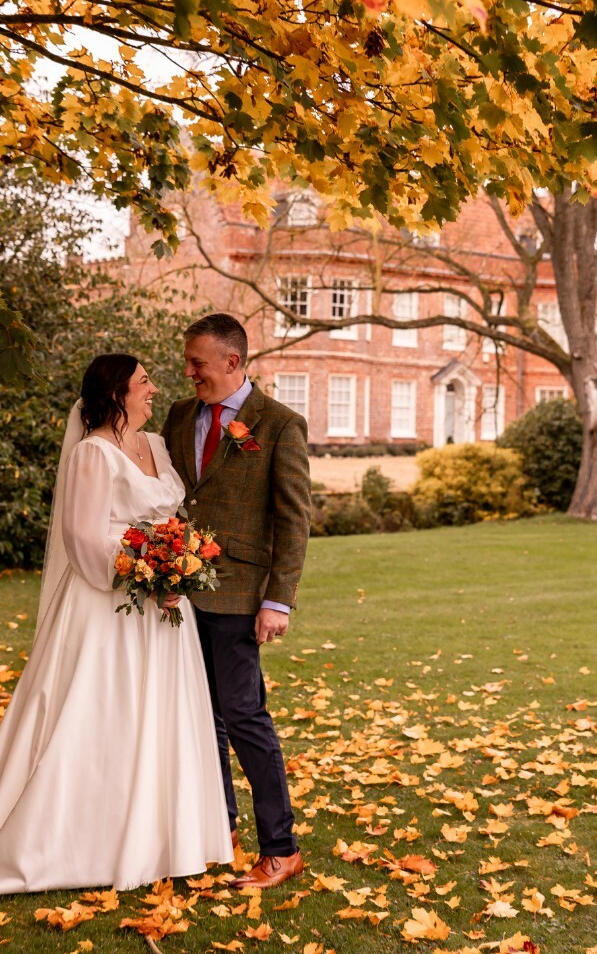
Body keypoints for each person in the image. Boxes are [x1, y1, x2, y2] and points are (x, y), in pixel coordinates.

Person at [0, 354, 233, 893]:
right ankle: (81, 843)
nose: (153, 390)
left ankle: (165, 837)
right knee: (105, 710)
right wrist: (144, 573)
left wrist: (179, 566)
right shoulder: (92, 452)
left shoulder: (155, 446)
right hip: (108, 605)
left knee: (164, 713)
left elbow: (171, 517)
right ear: (116, 393)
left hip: (166, 606)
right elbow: (82, 536)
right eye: (143, 382)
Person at [162, 313, 312, 889]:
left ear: (232, 361)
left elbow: (294, 519)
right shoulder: (180, 416)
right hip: (180, 594)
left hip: (241, 596)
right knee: (204, 719)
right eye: (187, 362)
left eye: (197, 362)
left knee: (246, 716)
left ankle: (281, 849)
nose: (189, 372)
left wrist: (279, 600)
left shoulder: (280, 425)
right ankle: (219, 829)